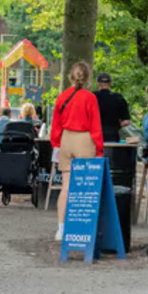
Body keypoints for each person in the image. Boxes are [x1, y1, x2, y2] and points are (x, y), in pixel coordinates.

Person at [50, 61, 104, 241]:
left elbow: (55, 124)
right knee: (86, 186)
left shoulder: (62, 97)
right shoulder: (90, 98)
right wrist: (99, 148)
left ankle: (61, 228)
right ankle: (84, 228)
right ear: (88, 78)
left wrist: (56, 144)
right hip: (84, 138)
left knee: (65, 186)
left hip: (66, 139)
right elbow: (95, 124)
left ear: (70, 76)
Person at [92, 73, 131, 143]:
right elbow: (126, 122)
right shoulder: (118, 98)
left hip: (94, 135)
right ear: (110, 83)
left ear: (98, 83)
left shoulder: (91, 97)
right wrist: (116, 126)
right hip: (112, 135)